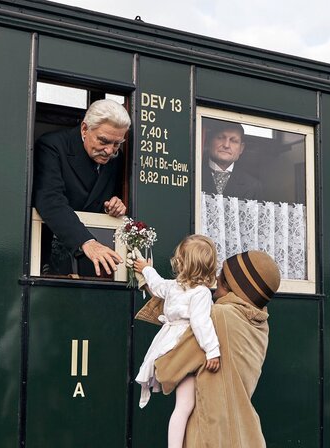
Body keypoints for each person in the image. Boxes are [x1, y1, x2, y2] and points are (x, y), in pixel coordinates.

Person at [154, 250, 280, 448]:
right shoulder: (260, 324)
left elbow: (167, 371)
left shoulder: (218, 317)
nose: (215, 279)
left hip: (211, 436)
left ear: (233, 286)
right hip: (246, 435)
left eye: (222, 275)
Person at [133, 235, 221, 448]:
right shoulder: (201, 293)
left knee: (183, 405)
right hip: (185, 348)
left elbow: (156, 285)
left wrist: (146, 269)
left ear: (181, 263)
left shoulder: (173, 286)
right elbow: (200, 323)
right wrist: (213, 351)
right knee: (185, 405)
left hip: (168, 343)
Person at [33, 99, 130, 277]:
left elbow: (101, 199)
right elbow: (50, 199)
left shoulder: (116, 160)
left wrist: (115, 205)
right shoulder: (52, 145)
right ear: (85, 129)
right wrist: (86, 241)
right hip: (49, 254)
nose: (110, 151)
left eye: (117, 144)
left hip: (94, 259)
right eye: (103, 141)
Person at [201, 121, 262, 199]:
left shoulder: (253, 186)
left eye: (233, 141)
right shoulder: (193, 173)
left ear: (241, 148)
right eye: (221, 138)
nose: (226, 145)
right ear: (209, 141)